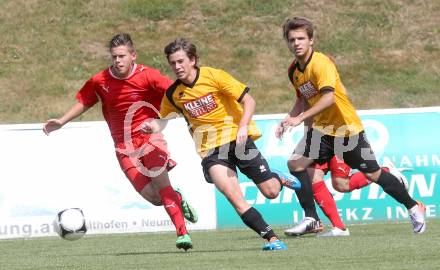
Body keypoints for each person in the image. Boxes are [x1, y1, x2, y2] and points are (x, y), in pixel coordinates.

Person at [139, 38, 301, 251]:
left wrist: (243, 126)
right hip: (211, 152)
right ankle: (271, 239)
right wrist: (153, 125)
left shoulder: (214, 76)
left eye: (180, 61)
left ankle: (276, 177)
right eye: (172, 63)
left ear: (193, 60)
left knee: (271, 191)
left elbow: (249, 101)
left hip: (238, 140)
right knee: (234, 196)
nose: (177, 67)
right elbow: (164, 120)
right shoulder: (173, 93)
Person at [43, 33, 198, 250]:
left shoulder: (149, 76)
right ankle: (177, 198)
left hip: (149, 138)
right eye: (114, 56)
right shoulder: (100, 80)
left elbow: (176, 93)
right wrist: (61, 121)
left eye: (122, 56)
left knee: (162, 186)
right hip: (123, 147)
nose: (118, 61)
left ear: (133, 55)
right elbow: (85, 101)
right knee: (154, 198)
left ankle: (183, 234)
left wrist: (184, 112)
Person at [279, 17, 426, 235]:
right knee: (295, 164)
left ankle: (413, 206)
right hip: (322, 131)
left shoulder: (321, 64)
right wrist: (289, 118)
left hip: (346, 130)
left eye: (301, 38)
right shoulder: (294, 70)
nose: (296, 43)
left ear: (311, 40)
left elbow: (329, 98)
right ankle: (311, 218)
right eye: (292, 40)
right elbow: (302, 98)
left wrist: (300, 118)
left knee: (374, 175)